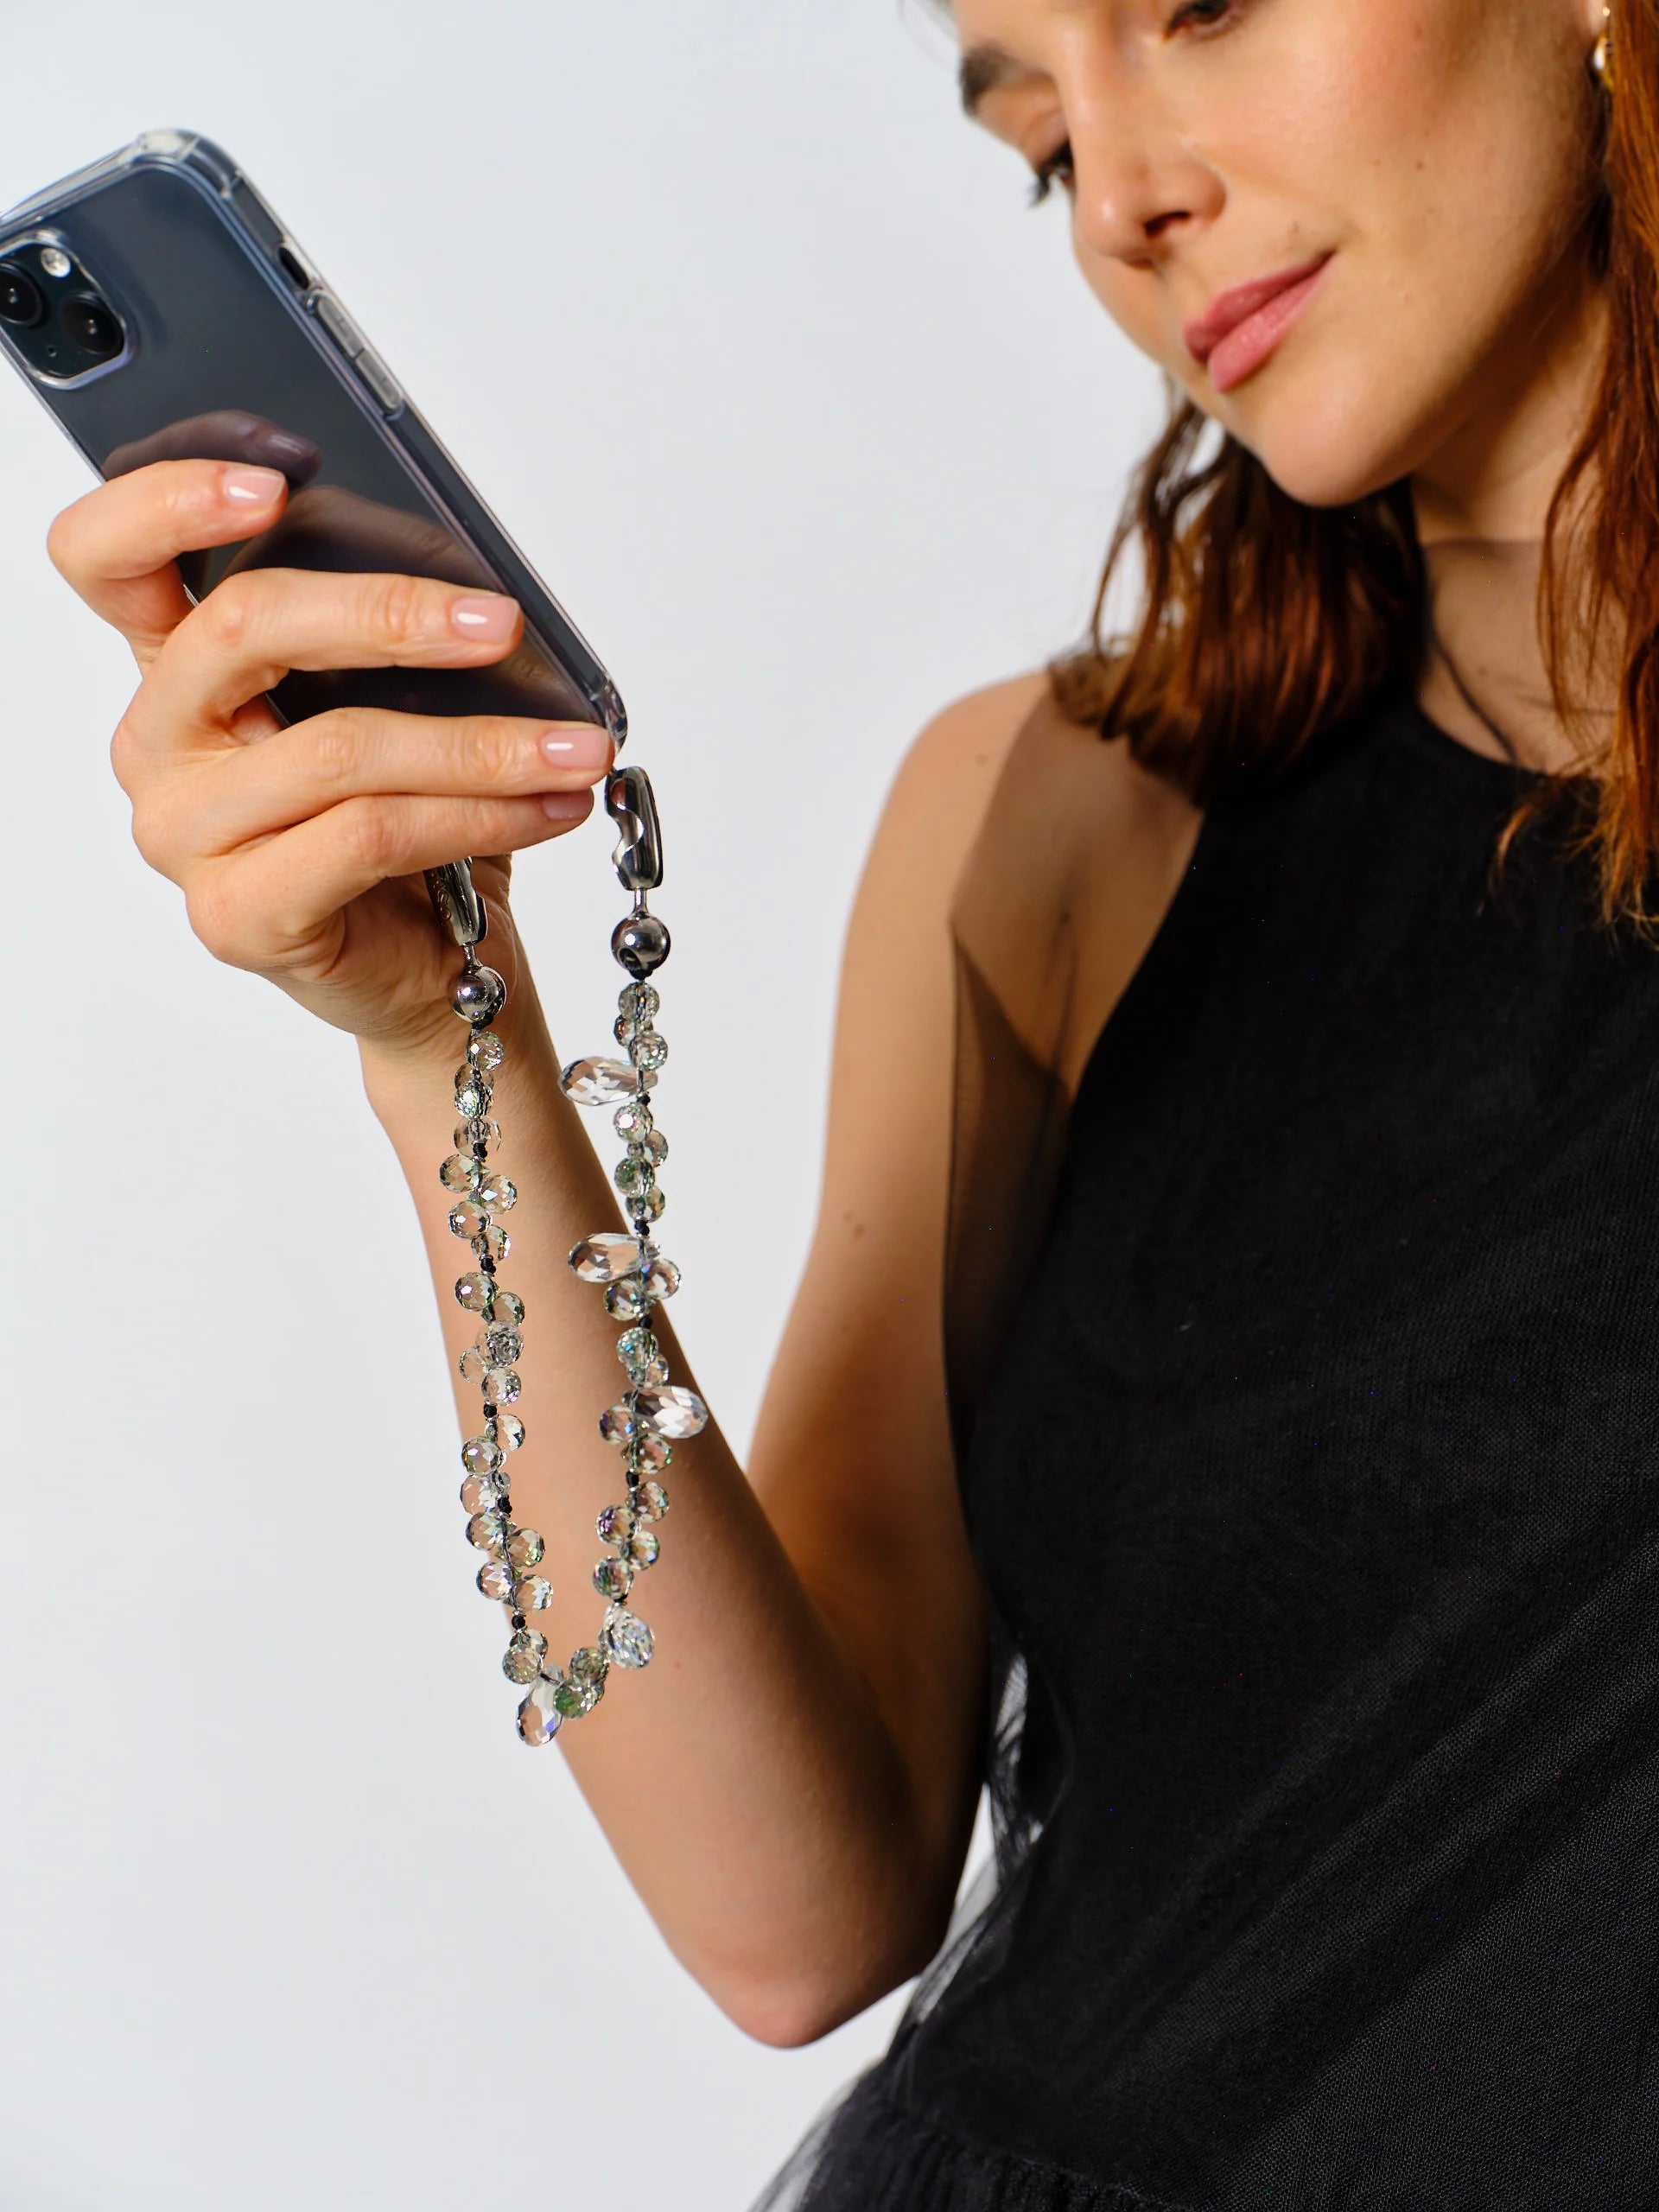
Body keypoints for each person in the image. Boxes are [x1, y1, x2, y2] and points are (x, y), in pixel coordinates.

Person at [41, 0, 1659, 2201]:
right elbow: (795, 1910)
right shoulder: (1063, 821)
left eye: (1202, 11)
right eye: (1037, 139)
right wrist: (443, 1035)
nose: (1121, 196)